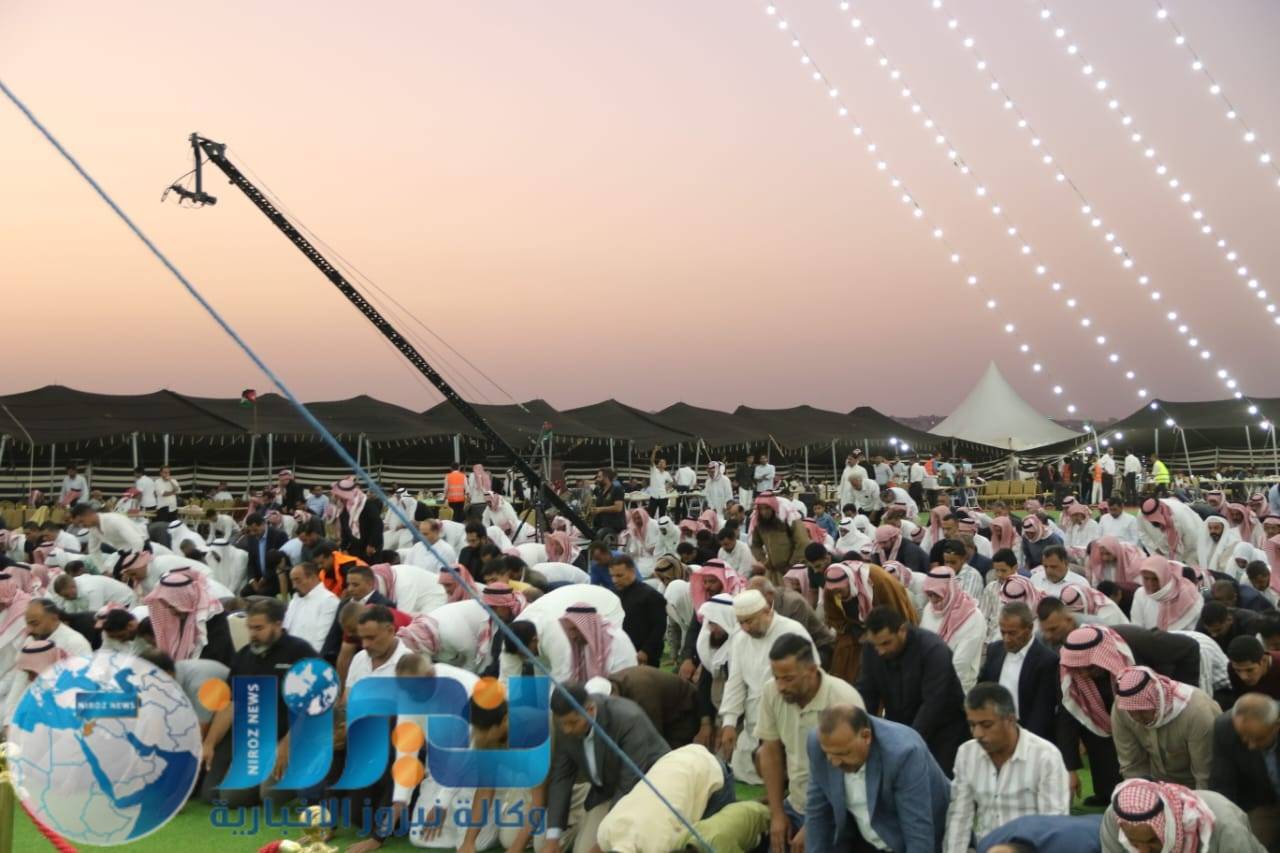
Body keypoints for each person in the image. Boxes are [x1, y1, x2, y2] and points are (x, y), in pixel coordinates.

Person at [199, 598, 316, 806]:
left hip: (288, 736)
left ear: (277, 624)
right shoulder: (244, 655)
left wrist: (287, 744)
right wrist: (209, 743)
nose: (253, 634)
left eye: (259, 628)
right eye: (250, 628)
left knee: (270, 796)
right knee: (221, 796)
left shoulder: (300, 652)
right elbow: (231, 704)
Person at [755, 633, 864, 853]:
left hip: (838, 809)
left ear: (812, 670)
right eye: (776, 677)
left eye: (788, 679)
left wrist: (813, 825)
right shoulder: (771, 692)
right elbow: (770, 752)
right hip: (795, 803)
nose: (781, 686)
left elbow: (854, 773)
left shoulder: (844, 699)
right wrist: (777, 814)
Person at [942, 683, 1070, 853]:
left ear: (1010, 720)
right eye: (972, 725)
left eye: (986, 725)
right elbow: (959, 817)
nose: (977, 733)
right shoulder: (967, 753)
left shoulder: (1045, 756)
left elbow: (1054, 827)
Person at [543, 682, 670, 853]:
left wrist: (606, 837)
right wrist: (552, 838)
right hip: (607, 792)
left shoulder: (628, 719)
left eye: (572, 723)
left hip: (649, 790)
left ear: (589, 710)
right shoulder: (565, 722)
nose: (566, 730)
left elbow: (629, 784)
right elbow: (562, 777)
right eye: (562, 724)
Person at [805, 704, 951, 852]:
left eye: (843, 753)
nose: (835, 762)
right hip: (864, 838)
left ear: (866, 736)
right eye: (829, 754)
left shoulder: (903, 753)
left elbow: (918, 834)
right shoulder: (818, 744)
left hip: (924, 839)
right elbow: (818, 815)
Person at [718, 589, 818, 785]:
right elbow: (735, 682)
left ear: (766, 611)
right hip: (756, 714)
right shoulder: (740, 639)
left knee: (798, 766)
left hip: (792, 709)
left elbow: (812, 674)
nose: (745, 628)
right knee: (745, 765)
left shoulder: (792, 630)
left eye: (750, 621)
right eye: (741, 622)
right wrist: (729, 722)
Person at [857, 606, 968, 775]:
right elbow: (867, 693)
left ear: (902, 630)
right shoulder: (872, 649)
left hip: (943, 732)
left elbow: (933, 704)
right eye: (876, 645)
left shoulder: (933, 650)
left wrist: (906, 744)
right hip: (901, 726)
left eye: (886, 643)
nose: (880, 651)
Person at [1111, 665, 1219, 789]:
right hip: (1159, 786)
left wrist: (1194, 801)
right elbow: (1132, 766)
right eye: (1132, 712)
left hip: (1196, 786)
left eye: (1143, 711)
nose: (1138, 718)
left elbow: (1205, 775)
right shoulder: (1122, 708)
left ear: (1157, 699)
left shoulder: (1197, 713)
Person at [1101, 778, 1264, 853]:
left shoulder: (1225, 828)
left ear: (1170, 829)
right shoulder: (1115, 817)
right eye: (1134, 843)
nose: (1143, 852)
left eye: (1152, 840)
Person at [978, 603, 1062, 745]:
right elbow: (983, 689)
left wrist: (1024, 744)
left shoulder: (1046, 661)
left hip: (1028, 737)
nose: (1006, 639)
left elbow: (1042, 711)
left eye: (1012, 633)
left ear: (1029, 628)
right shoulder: (995, 650)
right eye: (1003, 632)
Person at [1210, 693, 1280, 844]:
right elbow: (1222, 784)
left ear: (1276, 726)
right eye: (1244, 737)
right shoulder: (1225, 728)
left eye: (1258, 738)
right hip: (1261, 802)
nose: (1251, 745)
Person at [746, 575, 834, 669]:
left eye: (756, 599)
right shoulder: (765, 605)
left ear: (769, 594)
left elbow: (795, 641)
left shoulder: (793, 603)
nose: (753, 603)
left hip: (818, 646)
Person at [920, 566, 985, 692]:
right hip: (928, 683)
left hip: (958, 687)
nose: (933, 599)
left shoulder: (972, 616)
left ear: (950, 590)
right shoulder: (929, 608)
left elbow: (960, 663)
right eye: (929, 594)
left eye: (937, 594)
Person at [606, 554, 666, 665]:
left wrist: (646, 651)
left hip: (644, 655)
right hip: (619, 653)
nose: (614, 580)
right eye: (612, 576)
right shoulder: (612, 594)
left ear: (632, 571)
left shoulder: (651, 595)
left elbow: (659, 627)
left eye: (619, 575)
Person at [1131, 554, 1204, 631]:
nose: (1150, 583)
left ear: (1164, 576)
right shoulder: (1140, 594)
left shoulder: (1186, 593)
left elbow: (1193, 627)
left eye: (1155, 579)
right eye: (1146, 578)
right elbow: (1137, 626)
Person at [750, 493, 811, 584]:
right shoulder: (760, 523)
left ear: (773, 507)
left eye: (767, 508)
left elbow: (803, 542)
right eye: (761, 509)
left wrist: (791, 564)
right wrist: (764, 561)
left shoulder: (788, 519)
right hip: (772, 571)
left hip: (793, 571)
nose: (764, 512)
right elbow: (755, 544)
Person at [282, 561, 341, 653]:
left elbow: (321, 638)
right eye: (292, 581)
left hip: (310, 657)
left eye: (298, 580)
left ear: (313, 578)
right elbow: (285, 630)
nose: (294, 586)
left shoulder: (328, 600)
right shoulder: (295, 601)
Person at [1227, 636, 1280, 701]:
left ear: (1264, 660)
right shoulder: (1232, 668)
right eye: (1238, 670)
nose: (1243, 677)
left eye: (1249, 670)